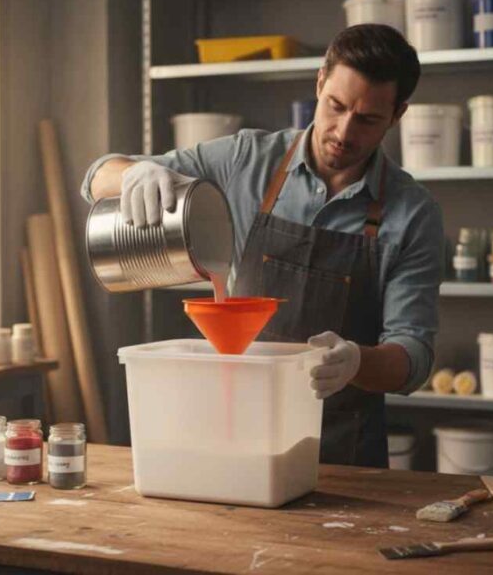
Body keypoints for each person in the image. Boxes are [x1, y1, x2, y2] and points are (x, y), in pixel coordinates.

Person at [82, 24, 442, 468]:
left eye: (367, 119)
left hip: (344, 454)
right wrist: (134, 173)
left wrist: (356, 362)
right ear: (319, 82)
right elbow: (97, 176)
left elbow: (414, 357)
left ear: (398, 114)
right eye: (336, 106)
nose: (343, 133)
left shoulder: (413, 214)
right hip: (239, 433)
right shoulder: (246, 160)